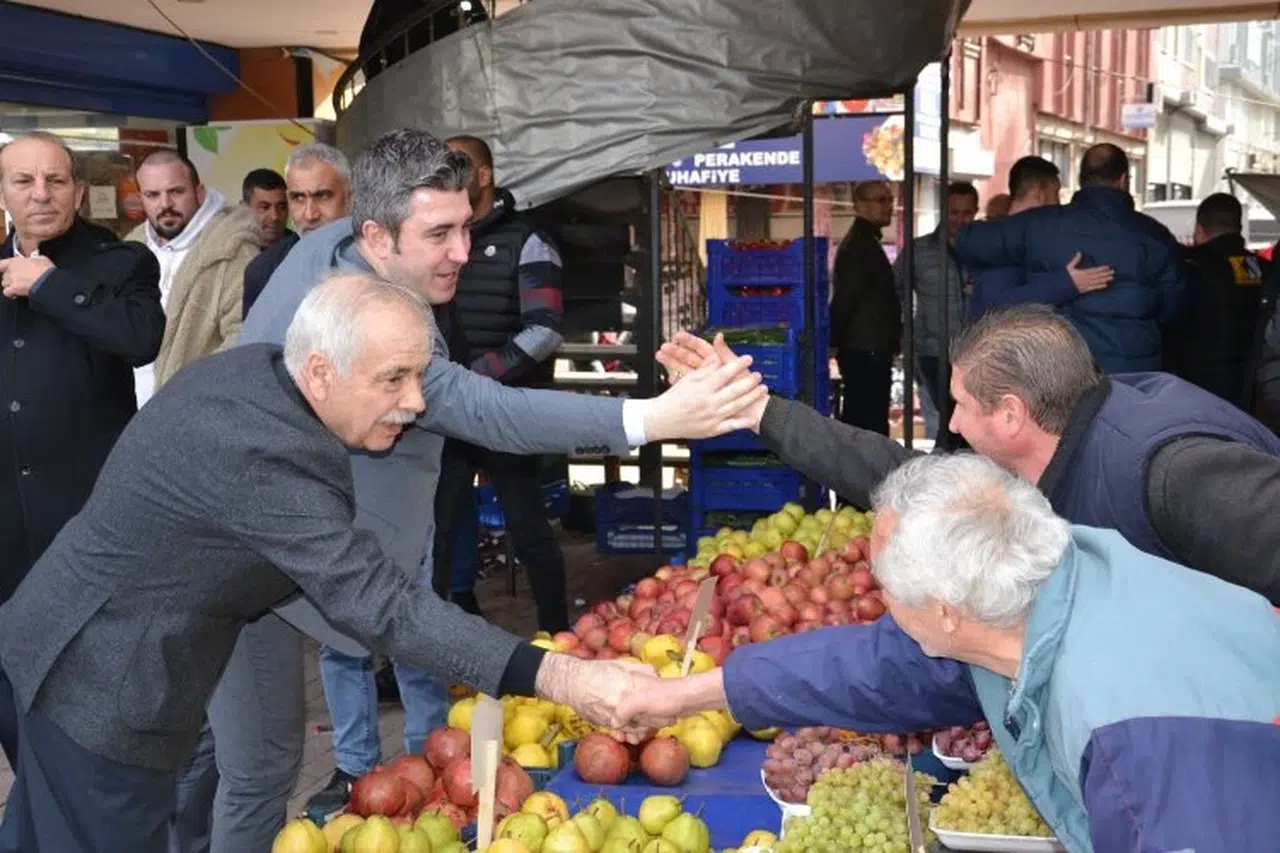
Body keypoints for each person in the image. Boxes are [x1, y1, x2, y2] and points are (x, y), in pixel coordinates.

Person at [180, 128, 767, 853]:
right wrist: (650, 417)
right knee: (252, 766)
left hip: (302, 552)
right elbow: (486, 408)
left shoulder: (337, 248)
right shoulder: (350, 311)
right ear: (377, 234)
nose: (464, 249)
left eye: (466, 224)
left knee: (228, 755)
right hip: (257, 561)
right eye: (442, 233)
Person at [0, 272, 660, 853]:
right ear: (320, 370)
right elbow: (384, 607)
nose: (416, 401)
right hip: (100, 685)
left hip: (71, 641)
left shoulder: (262, 373)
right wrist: (563, 678)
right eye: (393, 379)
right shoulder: (263, 456)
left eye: (418, 375)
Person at [620, 453, 1280, 853]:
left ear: (942, 611)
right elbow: (871, 669)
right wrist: (678, 695)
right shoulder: (1037, 588)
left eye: (887, 590)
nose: (879, 603)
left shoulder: (1129, 731)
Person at [657, 303, 1280, 604]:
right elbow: (899, 474)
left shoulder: (1171, 469)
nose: (949, 420)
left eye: (958, 404)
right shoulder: (1048, 440)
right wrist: (759, 411)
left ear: (1010, 414)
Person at [0, 131, 164, 765]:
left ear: (76, 189)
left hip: (84, 517)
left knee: (89, 681)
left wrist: (48, 286)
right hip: (5, 524)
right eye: (24, 181)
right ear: (6, 193)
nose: (41, 193)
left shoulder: (117, 262)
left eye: (55, 180)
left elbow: (139, 338)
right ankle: (40, 794)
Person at [956, 143, 1188, 373]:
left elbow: (968, 241)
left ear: (1081, 179)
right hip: (1135, 372)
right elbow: (1173, 309)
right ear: (1124, 179)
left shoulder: (1040, 226)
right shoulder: (1156, 236)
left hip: (1063, 371)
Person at [127, 151, 260, 406]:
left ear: (198, 193)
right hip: (128, 415)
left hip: (193, 411)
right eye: (152, 195)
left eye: (176, 192)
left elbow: (243, 337)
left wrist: (190, 396)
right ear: (141, 199)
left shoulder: (233, 250)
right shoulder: (131, 249)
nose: (165, 204)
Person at [968, 156, 1113, 320]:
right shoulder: (999, 241)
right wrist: (1067, 284)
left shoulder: (1031, 237)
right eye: (1056, 193)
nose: (1059, 203)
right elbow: (995, 309)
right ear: (1039, 193)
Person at [894, 181, 978, 441]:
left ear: (975, 212)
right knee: (947, 423)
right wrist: (906, 334)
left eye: (966, 213)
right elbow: (896, 292)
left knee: (974, 426)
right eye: (954, 212)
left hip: (977, 354)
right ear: (943, 210)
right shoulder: (918, 251)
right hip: (933, 351)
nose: (960, 220)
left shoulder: (986, 251)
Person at [1166, 192, 1266, 408]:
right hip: (1255, 391)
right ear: (1239, 228)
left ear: (1199, 230)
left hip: (1199, 389)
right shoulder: (1261, 269)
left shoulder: (1190, 268)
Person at [243, 144, 352, 316]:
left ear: (350, 197)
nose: (310, 214)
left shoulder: (380, 260)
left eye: (323, 196)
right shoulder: (263, 270)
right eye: (298, 198)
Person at [829, 180, 900, 437]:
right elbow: (846, 298)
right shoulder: (860, 246)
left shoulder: (865, 242)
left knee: (867, 417)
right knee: (866, 420)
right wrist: (832, 340)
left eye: (890, 199)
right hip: (864, 349)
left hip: (869, 347)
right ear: (859, 206)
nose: (889, 206)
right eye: (881, 200)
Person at [242, 167, 290, 248]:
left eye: (282, 207)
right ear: (243, 209)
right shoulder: (228, 251)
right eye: (264, 207)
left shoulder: (301, 248)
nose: (275, 216)